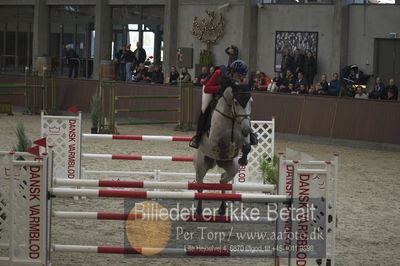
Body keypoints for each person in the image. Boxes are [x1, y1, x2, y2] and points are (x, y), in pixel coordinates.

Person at [189, 60, 256, 149]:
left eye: (242, 76)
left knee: (241, 107)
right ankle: (197, 137)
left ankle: (250, 134)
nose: (240, 78)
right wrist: (221, 88)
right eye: (238, 75)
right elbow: (207, 89)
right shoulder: (219, 72)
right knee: (205, 108)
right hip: (210, 88)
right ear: (232, 72)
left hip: (225, 92)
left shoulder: (239, 77)